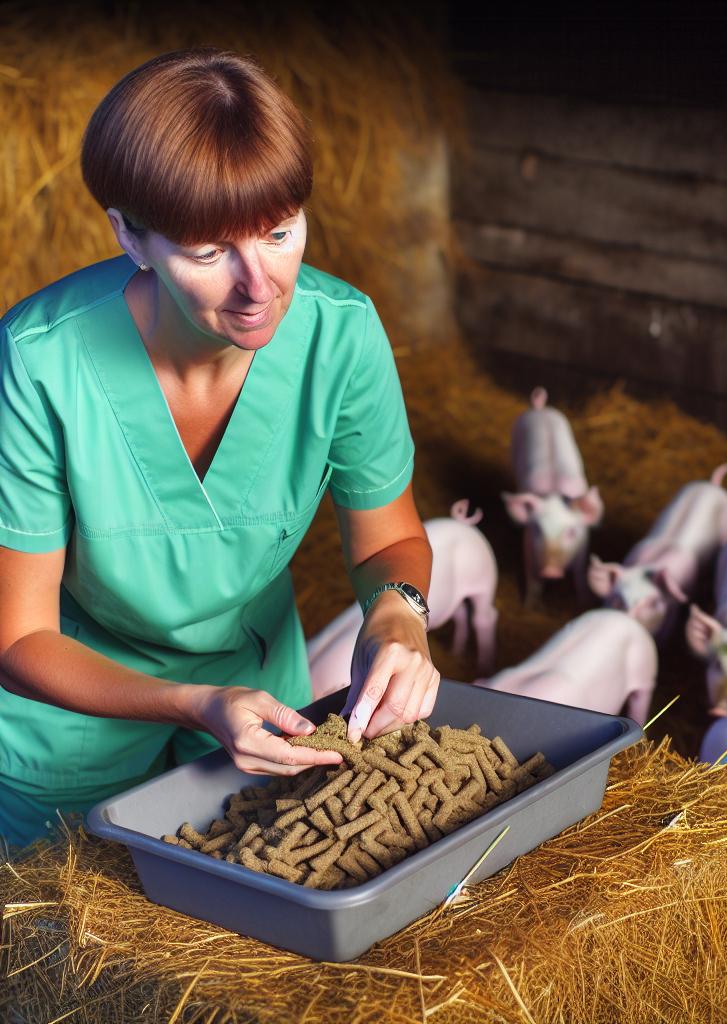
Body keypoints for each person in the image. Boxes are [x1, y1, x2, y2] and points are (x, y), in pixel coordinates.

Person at [0, 48, 440, 849]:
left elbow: (391, 539)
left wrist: (398, 615)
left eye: (280, 232)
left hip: (260, 702)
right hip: (68, 717)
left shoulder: (342, 337)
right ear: (130, 236)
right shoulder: (39, 360)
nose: (260, 284)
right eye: (208, 253)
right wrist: (194, 701)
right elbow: (18, 637)